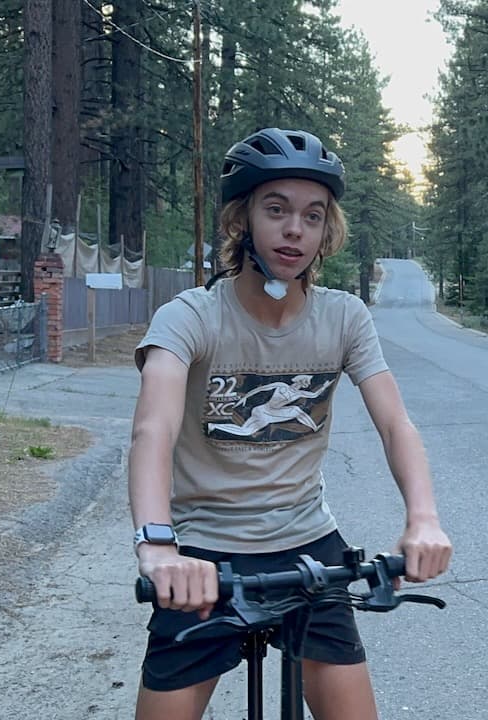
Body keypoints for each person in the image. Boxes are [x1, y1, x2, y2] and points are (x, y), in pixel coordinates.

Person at [127, 127, 453, 720]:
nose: (294, 228)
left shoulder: (345, 318)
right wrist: (157, 546)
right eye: (276, 210)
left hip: (309, 549)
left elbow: (396, 422)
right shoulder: (189, 317)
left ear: (328, 229)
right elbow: (153, 429)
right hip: (201, 555)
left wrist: (423, 520)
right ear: (241, 219)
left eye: (312, 214)